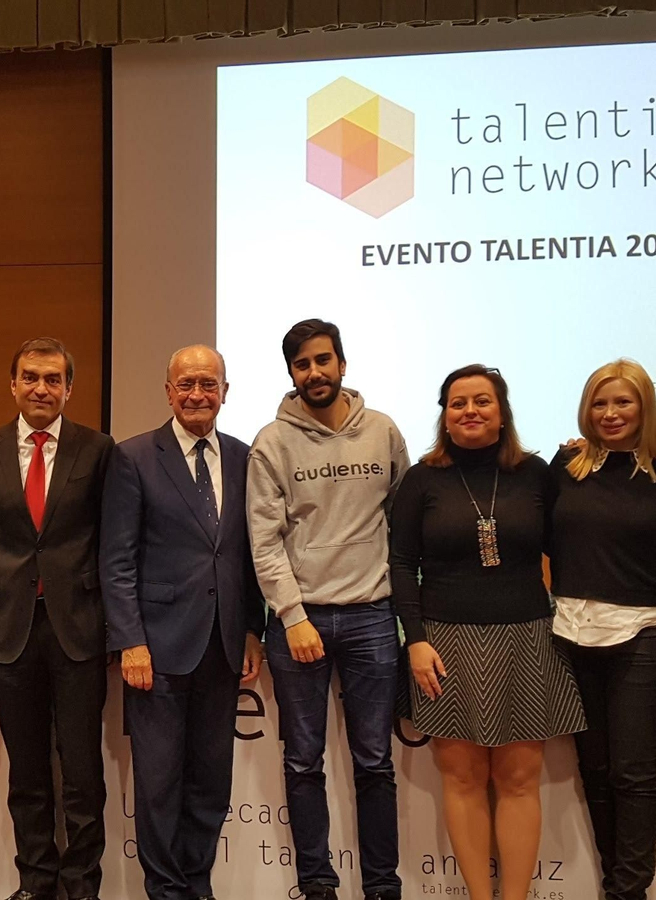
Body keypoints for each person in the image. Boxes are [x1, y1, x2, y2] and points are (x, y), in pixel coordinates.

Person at [390, 364, 585, 900]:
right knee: (463, 781)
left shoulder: (537, 474)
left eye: (482, 401)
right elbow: (402, 563)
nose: (470, 411)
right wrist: (416, 639)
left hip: (527, 637)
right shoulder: (422, 479)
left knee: (521, 783)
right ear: (444, 417)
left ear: (502, 414)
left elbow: (571, 542)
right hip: (444, 642)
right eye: (457, 403)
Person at [247, 319, 409, 900]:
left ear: (342, 363)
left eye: (323, 360)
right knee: (302, 763)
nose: (314, 372)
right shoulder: (272, 442)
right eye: (301, 364)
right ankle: (317, 884)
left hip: (371, 616)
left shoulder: (384, 431)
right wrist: (292, 617)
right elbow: (263, 541)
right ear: (291, 373)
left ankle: (383, 886)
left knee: (375, 762)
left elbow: (403, 521)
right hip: (300, 622)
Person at [101, 345, 267, 900]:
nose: (198, 394)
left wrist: (250, 629)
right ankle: (166, 890)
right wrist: (129, 641)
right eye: (187, 384)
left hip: (222, 646)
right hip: (157, 650)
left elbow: (249, 555)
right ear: (168, 391)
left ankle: (197, 885)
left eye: (208, 383)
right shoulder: (134, 457)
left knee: (210, 782)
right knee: (159, 784)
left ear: (225, 391)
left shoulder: (247, 459)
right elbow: (116, 559)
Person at [0, 337, 115, 900]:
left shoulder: (98, 450)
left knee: (81, 774)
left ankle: (82, 886)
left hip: (79, 627)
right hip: (8, 632)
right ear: (13, 384)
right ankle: (36, 882)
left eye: (53, 379)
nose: (41, 388)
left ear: (69, 388)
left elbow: (110, 544)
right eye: (30, 377)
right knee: (27, 775)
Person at [546, 360, 656, 900]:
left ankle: (629, 892)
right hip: (572, 631)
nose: (610, 414)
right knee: (596, 769)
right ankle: (616, 885)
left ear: (645, 406)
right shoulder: (566, 464)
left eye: (623, 402)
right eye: (600, 403)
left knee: (632, 772)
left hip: (646, 631)